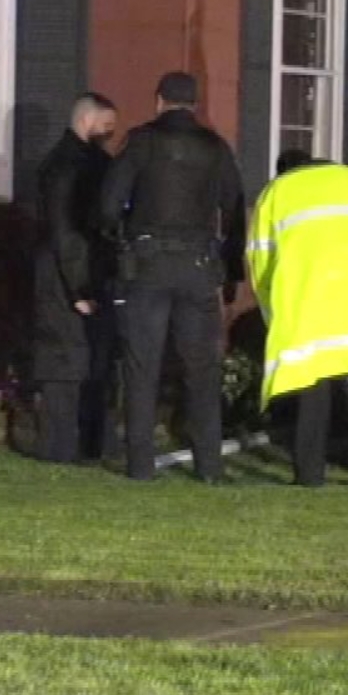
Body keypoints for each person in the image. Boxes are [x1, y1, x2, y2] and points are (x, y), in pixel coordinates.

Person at [99, 72, 245, 482]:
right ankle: (209, 465)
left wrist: (119, 236)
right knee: (202, 369)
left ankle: (141, 464)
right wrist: (232, 271)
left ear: (159, 100)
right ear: (194, 104)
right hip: (198, 266)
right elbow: (234, 209)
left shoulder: (141, 142)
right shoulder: (215, 148)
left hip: (147, 264)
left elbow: (109, 203)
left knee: (141, 366)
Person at [248, 149, 348, 487]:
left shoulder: (277, 193)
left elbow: (261, 262)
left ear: (283, 171)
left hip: (312, 301)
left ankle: (310, 474)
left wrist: (272, 309)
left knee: (313, 385)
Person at [32, 93, 119, 465]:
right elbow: (65, 231)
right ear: (87, 121)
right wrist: (79, 287)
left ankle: (85, 446)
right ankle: (62, 449)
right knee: (63, 362)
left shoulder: (84, 162)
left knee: (87, 360)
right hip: (67, 275)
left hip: (81, 271)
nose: (111, 134)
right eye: (107, 127)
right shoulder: (67, 167)